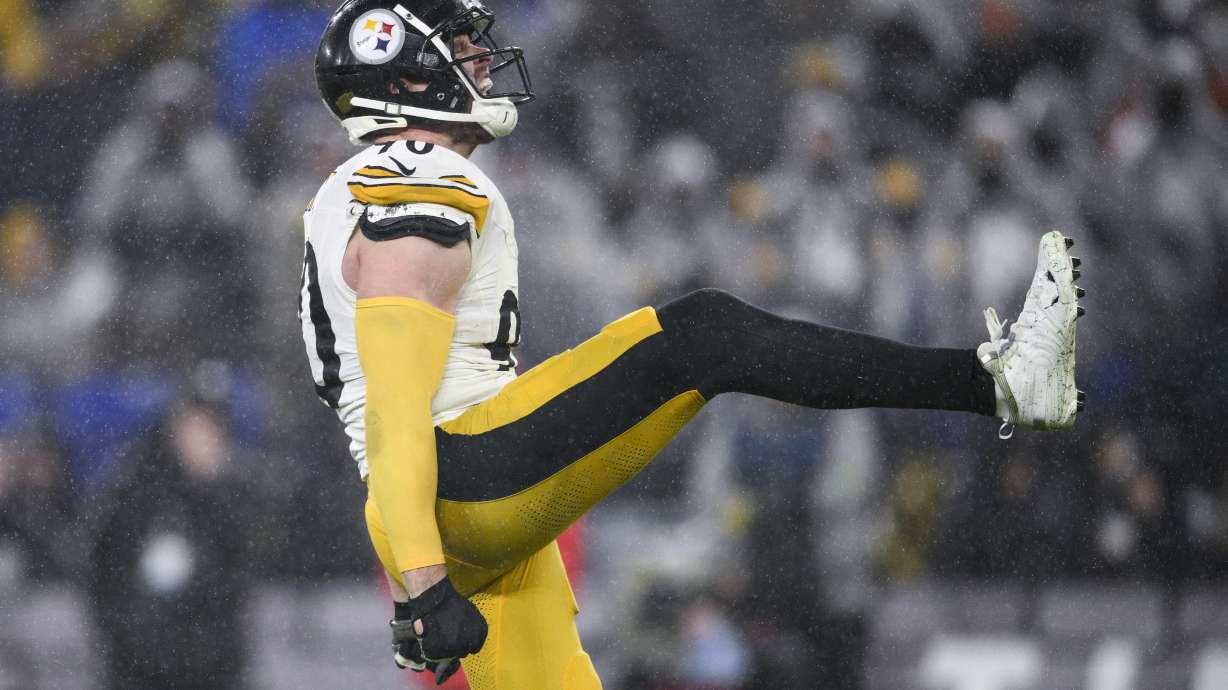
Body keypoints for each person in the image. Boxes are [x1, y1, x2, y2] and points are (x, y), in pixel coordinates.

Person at [299, 2, 1085, 687]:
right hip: (461, 480)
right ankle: (1002, 381)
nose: (480, 60)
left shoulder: (367, 186)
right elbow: (397, 407)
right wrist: (428, 582)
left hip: (442, 501)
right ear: (403, 83)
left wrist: (418, 567)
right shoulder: (412, 180)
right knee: (706, 333)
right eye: (457, 50)